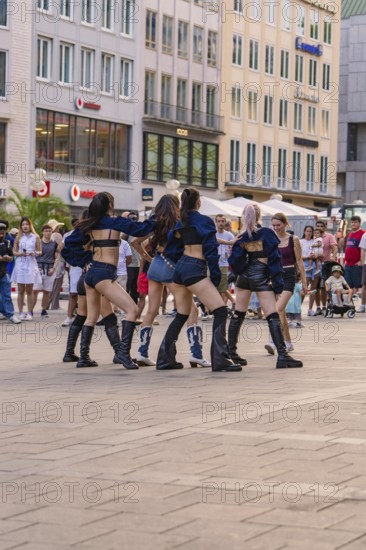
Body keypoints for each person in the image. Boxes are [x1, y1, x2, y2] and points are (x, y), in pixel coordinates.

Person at [62, 192, 155, 369]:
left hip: (91, 275)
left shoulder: (88, 225)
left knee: (92, 316)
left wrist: (85, 259)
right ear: (110, 206)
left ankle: (84, 358)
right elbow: (142, 230)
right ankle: (123, 355)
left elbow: (68, 247)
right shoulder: (114, 222)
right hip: (104, 274)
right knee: (133, 310)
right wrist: (155, 218)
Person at [155, 188, 241, 372]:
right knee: (220, 310)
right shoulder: (203, 221)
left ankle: (165, 358)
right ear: (198, 203)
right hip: (195, 268)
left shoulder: (180, 222)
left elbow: (172, 247)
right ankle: (220, 359)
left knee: (181, 315)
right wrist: (216, 277)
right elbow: (211, 250)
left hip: (180, 269)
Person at [131, 194, 210, 368]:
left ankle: (141, 352)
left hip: (156, 266)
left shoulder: (156, 221)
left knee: (151, 310)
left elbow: (136, 243)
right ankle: (196, 353)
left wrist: (149, 259)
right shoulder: (178, 222)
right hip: (171, 267)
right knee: (192, 311)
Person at [227, 204, 302, 368]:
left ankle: (231, 352)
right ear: (260, 215)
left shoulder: (241, 236)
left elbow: (234, 262)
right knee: (272, 315)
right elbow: (275, 261)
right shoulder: (267, 234)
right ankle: (282, 355)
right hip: (261, 276)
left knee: (238, 314)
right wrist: (277, 286)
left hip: (243, 278)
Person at [265, 213, 306, 355]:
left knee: (276, 310)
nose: (276, 228)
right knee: (280, 312)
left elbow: (299, 261)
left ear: (285, 224)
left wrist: (305, 282)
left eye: (278, 225)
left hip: (289, 276)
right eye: (274, 225)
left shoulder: (293, 239)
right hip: (275, 276)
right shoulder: (271, 239)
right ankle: (288, 343)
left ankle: (272, 341)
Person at [11, 217, 42, 320]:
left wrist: (35, 253)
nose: (25, 226)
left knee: (30, 290)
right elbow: (14, 252)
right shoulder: (18, 237)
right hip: (20, 265)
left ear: (30, 225)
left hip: (31, 265)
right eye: (23, 224)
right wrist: (21, 253)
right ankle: (20, 312)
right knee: (20, 290)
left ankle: (29, 312)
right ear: (21, 226)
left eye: (27, 224)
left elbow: (40, 251)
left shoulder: (36, 237)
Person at [309, 220, 338, 316]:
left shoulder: (329, 236)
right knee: (315, 287)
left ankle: (324, 307)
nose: (320, 228)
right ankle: (318, 308)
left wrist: (333, 256)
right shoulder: (314, 237)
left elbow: (334, 247)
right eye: (318, 226)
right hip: (315, 265)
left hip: (325, 265)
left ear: (325, 227)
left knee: (323, 287)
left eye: (321, 226)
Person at [33, 224, 60, 317]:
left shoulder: (54, 244)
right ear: (43, 232)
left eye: (50, 231)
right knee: (35, 290)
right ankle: (30, 310)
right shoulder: (38, 243)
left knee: (46, 291)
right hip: (39, 268)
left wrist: (54, 268)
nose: (48, 233)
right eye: (46, 231)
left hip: (50, 269)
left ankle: (43, 310)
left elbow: (57, 256)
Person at [62, 219, 83, 327]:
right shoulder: (68, 235)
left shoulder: (88, 233)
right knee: (73, 293)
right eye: (75, 225)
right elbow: (63, 249)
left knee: (85, 293)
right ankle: (69, 317)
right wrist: (67, 263)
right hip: (74, 266)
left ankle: (83, 317)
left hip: (86, 266)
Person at [0, 222, 21, 324]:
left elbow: (11, 257)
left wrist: (7, 258)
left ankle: (11, 315)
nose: (1, 233)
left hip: (4, 272)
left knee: (7, 296)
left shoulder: (7, 242)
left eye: (3, 231)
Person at [344, 216, 365, 298]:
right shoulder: (350, 234)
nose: (353, 224)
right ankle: (349, 305)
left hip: (357, 265)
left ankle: (362, 305)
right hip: (348, 264)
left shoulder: (363, 234)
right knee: (348, 286)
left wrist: (361, 261)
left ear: (359, 223)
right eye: (352, 222)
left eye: (355, 222)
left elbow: (363, 249)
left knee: (359, 287)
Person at [215, 215, 235, 304]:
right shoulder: (212, 233)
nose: (221, 223)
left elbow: (233, 248)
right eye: (219, 221)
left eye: (222, 221)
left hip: (224, 264)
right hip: (212, 263)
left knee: (223, 289)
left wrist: (230, 254)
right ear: (216, 222)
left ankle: (220, 307)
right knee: (211, 287)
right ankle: (210, 310)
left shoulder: (229, 235)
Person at [48, 219, 65, 311]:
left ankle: (47, 304)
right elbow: (61, 248)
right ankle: (55, 305)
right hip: (58, 261)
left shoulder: (48, 236)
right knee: (57, 284)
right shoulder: (57, 235)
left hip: (50, 261)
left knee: (51, 285)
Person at [125, 212, 140, 304]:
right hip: (129, 263)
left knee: (135, 287)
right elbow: (121, 240)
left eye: (134, 218)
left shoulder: (139, 230)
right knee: (128, 285)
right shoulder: (126, 231)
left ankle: (134, 304)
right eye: (131, 218)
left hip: (138, 262)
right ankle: (125, 305)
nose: (133, 220)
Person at [357, 231, 366, 313]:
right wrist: (363, 263)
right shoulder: (365, 235)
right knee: (364, 285)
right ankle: (363, 305)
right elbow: (362, 249)